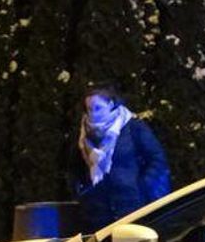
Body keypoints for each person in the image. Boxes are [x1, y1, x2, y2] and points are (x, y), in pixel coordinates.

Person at [72, 83, 171, 232]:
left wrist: (143, 187)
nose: (93, 114)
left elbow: (156, 158)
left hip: (132, 207)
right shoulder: (83, 135)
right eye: (89, 109)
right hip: (97, 212)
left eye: (98, 108)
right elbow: (75, 167)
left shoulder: (132, 127)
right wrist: (83, 192)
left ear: (111, 104)